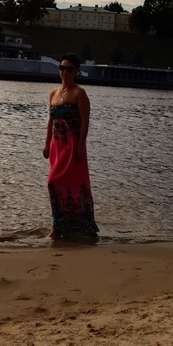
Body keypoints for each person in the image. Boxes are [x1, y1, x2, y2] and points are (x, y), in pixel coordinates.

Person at [43, 53, 99, 240]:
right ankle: (59, 225)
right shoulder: (53, 93)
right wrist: (46, 144)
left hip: (73, 146)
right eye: (62, 68)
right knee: (57, 184)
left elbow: (85, 121)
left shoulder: (79, 93)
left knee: (66, 184)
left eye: (69, 69)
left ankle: (85, 226)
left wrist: (81, 145)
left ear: (76, 72)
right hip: (57, 146)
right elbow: (51, 121)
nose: (64, 72)